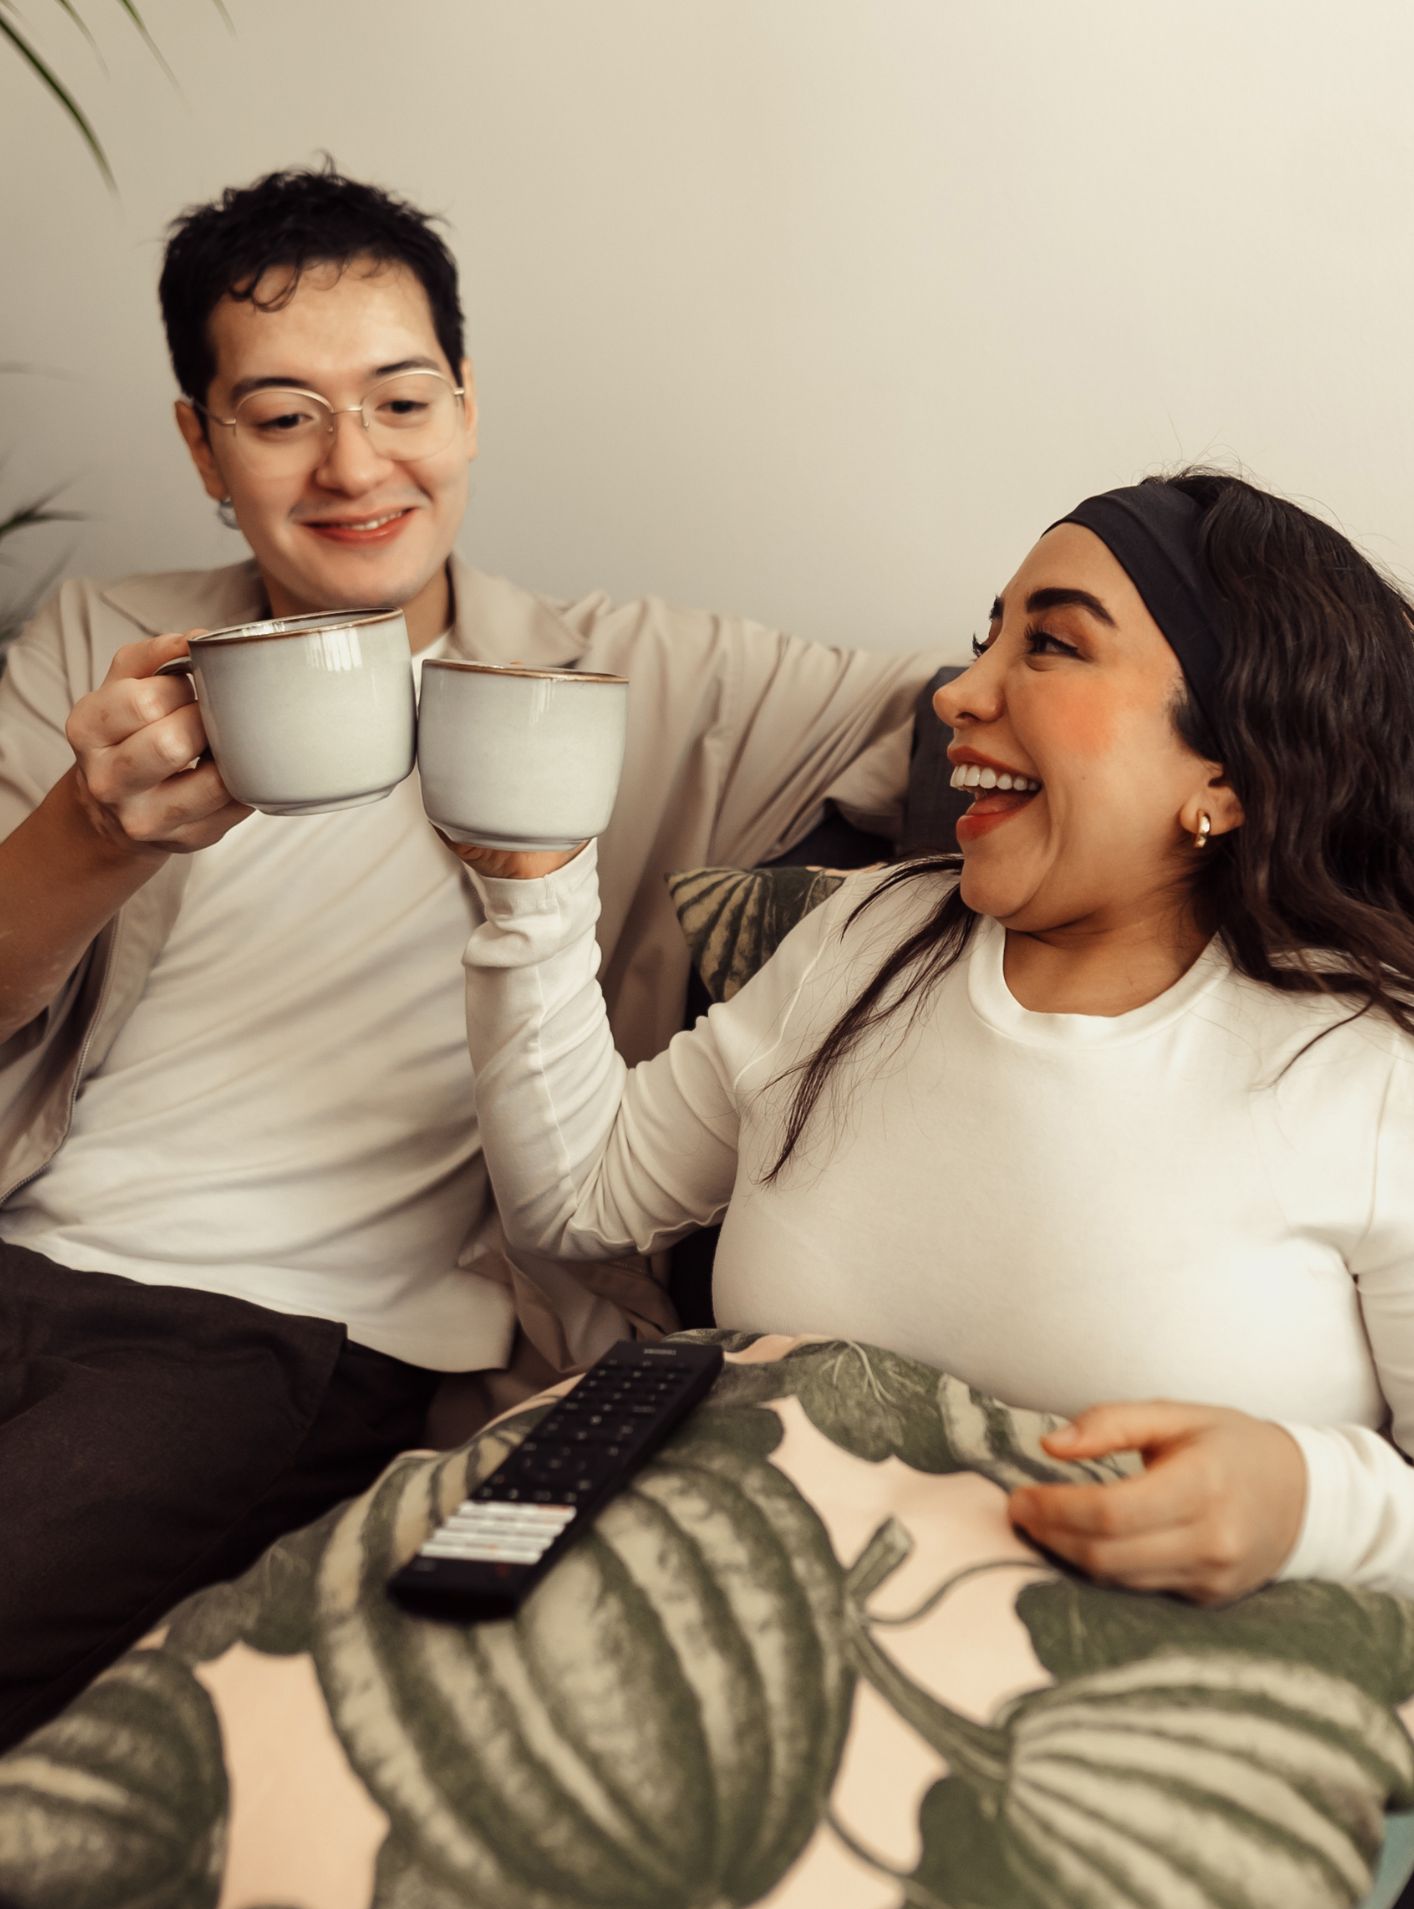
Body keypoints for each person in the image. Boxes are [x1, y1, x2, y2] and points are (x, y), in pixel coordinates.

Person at [0, 164, 948, 1746]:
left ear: (468, 404)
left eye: (401, 399)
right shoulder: (108, 643)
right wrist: (91, 834)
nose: (354, 464)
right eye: (282, 414)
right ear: (202, 446)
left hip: (266, 1335)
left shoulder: (622, 676)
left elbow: (958, 708)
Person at [458, 469, 1414, 1605]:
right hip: (718, 1608)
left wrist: (1311, 1500)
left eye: (1050, 645)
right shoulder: (866, 933)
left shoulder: (1367, 1069)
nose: (959, 692)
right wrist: (533, 887)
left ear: (1227, 768)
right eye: (984, 642)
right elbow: (580, 1197)